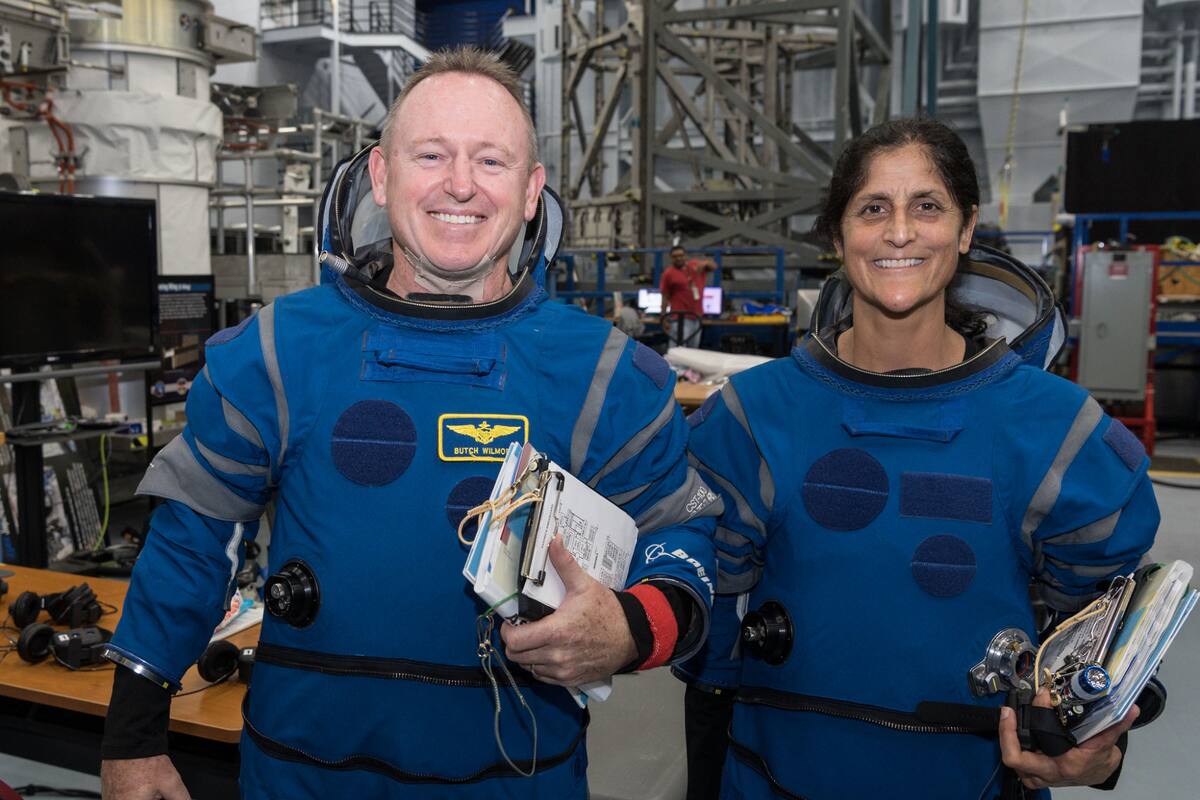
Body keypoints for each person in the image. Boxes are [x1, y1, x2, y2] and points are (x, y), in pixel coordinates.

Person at [99, 48, 720, 800]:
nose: (459, 184)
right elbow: (192, 544)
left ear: (530, 194)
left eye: (490, 161)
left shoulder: (606, 376)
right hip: (300, 778)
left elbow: (681, 541)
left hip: (514, 782)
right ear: (382, 176)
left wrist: (626, 627)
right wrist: (132, 741)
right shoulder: (275, 353)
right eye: (432, 155)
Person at [675, 118, 1157, 799]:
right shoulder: (749, 419)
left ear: (965, 231)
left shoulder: (1061, 434)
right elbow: (711, 661)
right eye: (873, 208)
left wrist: (1097, 757)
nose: (899, 231)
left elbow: (1097, 666)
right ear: (838, 237)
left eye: (926, 206)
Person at [660, 245, 717, 347]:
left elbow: (714, 266)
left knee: (692, 353)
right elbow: (664, 297)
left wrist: (704, 263)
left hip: (697, 318)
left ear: (685, 256)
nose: (678, 258)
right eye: (675, 256)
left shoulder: (694, 265)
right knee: (678, 351)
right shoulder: (668, 274)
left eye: (681, 255)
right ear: (671, 258)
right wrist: (663, 318)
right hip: (680, 318)